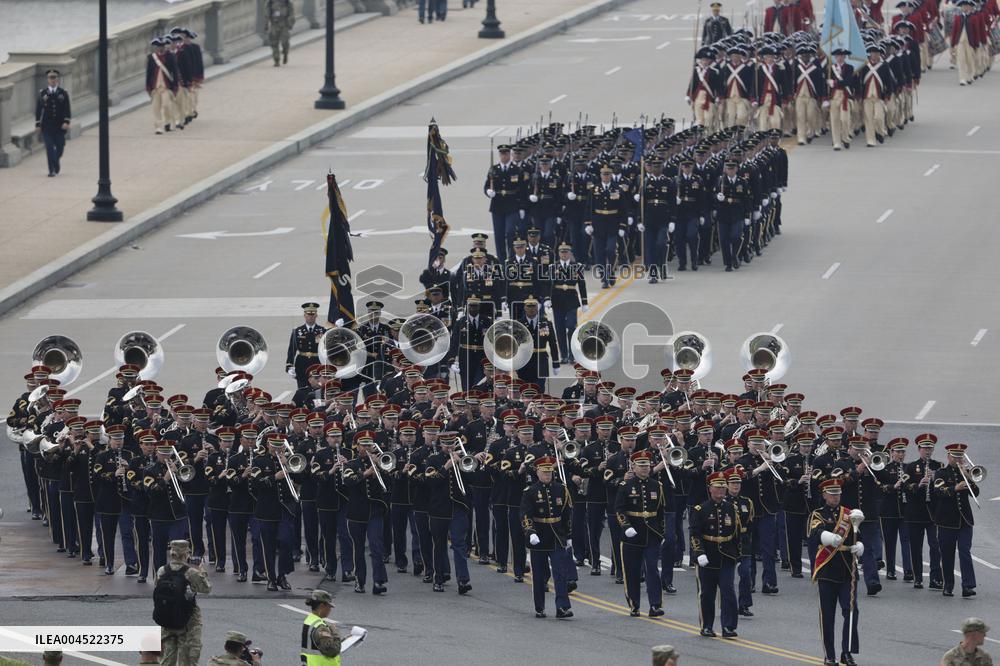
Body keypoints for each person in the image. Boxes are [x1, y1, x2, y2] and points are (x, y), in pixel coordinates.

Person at [808, 478, 862, 666]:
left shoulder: (849, 514)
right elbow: (815, 534)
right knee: (827, 615)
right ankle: (829, 655)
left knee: (851, 611)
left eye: (838, 493)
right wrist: (829, 537)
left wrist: (859, 546)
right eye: (832, 494)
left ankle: (847, 652)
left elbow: (857, 536)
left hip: (847, 568)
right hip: (827, 569)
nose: (835, 497)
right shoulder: (818, 514)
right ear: (824, 495)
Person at [521, 455, 574, 618]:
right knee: (539, 575)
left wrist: (569, 535)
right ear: (537, 472)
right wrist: (530, 532)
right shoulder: (530, 492)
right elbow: (525, 515)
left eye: (549, 472)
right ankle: (540, 606)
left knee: (560, 573)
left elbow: (567, 514)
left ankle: (562, 607)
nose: (547, 475)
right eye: (544, 472)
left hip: (557, 535)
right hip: (539, 535)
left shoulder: (561, 489)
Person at [689, 471, 739, 638]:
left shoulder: (731, 508)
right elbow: (695, 534)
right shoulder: (701, 509)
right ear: (710, 489)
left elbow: (737, 533)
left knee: (728, 591)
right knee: (707, 594)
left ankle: (728, 626)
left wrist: (737, 555)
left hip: (726, 556)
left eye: (723, 487)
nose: (721, 490)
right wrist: (699, 552)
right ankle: (707, 626)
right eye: (717, 487)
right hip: (707, 556)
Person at [154, 540, 212, 666]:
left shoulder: (162, 570)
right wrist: (201, 570)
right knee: (187, 659)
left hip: (166, 619)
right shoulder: (190, 572)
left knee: (166, 660)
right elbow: (207, 588)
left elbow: (156, 587)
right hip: (188, 621)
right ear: (186, 554)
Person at [933, 443, 980, 598]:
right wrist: (955, 489)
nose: (958, 459)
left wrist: (968, 477)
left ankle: (968, 586)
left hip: (965, 520)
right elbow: (938, 492)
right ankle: (948, 585)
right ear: (948, 456)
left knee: (965, 551)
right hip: (946, 521)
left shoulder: (965, 473)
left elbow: (975, 493)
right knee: (947, 555)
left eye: (960, 457)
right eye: (955, 456)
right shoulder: (941, 473)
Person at [34, 69, 71, 177]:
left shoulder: (63, 93)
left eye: (54, 77)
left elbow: (67, 108)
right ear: (47, 79)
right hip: (47, 126)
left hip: (59, 126)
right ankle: (51, 170)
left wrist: (66, 121)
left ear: (57, 79)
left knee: (60, 147)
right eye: (50, 77)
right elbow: (38, 109)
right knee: (49, 148)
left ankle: (56, 162)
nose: (52, 79)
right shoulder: (43, 93)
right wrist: (38, 124)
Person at [286, 303, 326, 389]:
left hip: (317, 363)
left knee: (317, 388)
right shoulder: (297, 331)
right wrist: (289, 366)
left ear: (316, 315)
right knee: (302, 389)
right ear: (304, 315)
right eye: (308, 314)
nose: (310, 317)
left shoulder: (322, 331)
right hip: (302, 364)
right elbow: (292, 350)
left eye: (313, 314)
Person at [301, 589, 344, 665]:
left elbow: (317, 644)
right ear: (322, 606)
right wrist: (336, 633)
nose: (330, 610)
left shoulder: (310, 620)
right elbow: (332, 651)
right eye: (329, 607)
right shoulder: (320, 627)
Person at [265, 0, 295, 66]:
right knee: (274, 43)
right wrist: (266, 24)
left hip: (284, 25)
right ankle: (276, 60)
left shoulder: (287, 2)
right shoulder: (270, 3)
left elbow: (291, 14)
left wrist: (290, 24)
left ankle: (285, 52)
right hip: (274, 25)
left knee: (285, 42)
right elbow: (267, 14)